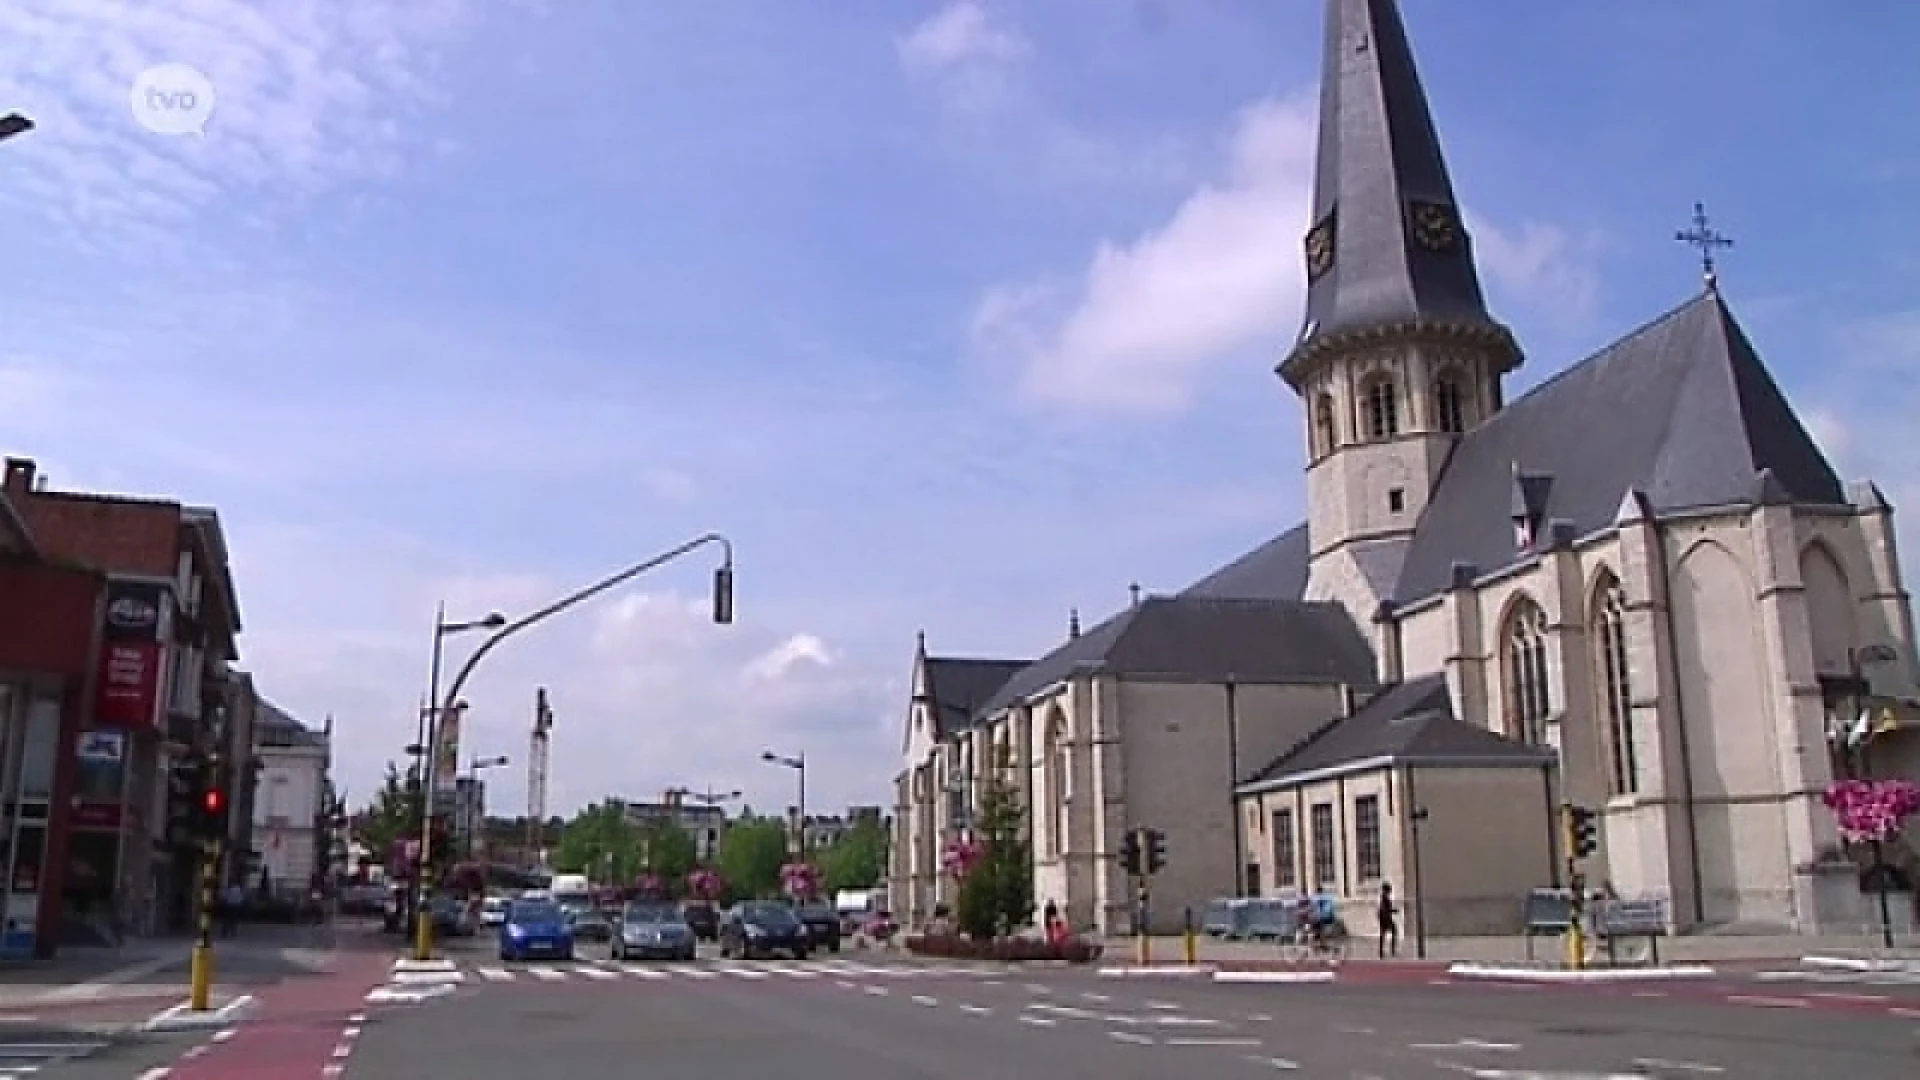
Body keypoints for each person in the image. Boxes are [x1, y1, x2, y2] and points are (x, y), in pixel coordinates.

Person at [1376, 882, 1399, 958]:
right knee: (1392, 931)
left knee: (1384, 933)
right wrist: (1393, 911)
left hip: (1384, 917)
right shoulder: (1384, 898)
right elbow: (1384, 909)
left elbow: (1384, 909)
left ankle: (1382, 951)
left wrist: (1392, 911)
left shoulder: (1383, 897)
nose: (1390, 892)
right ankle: (1390, 951)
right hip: (1385, 918)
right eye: (1389, 890)